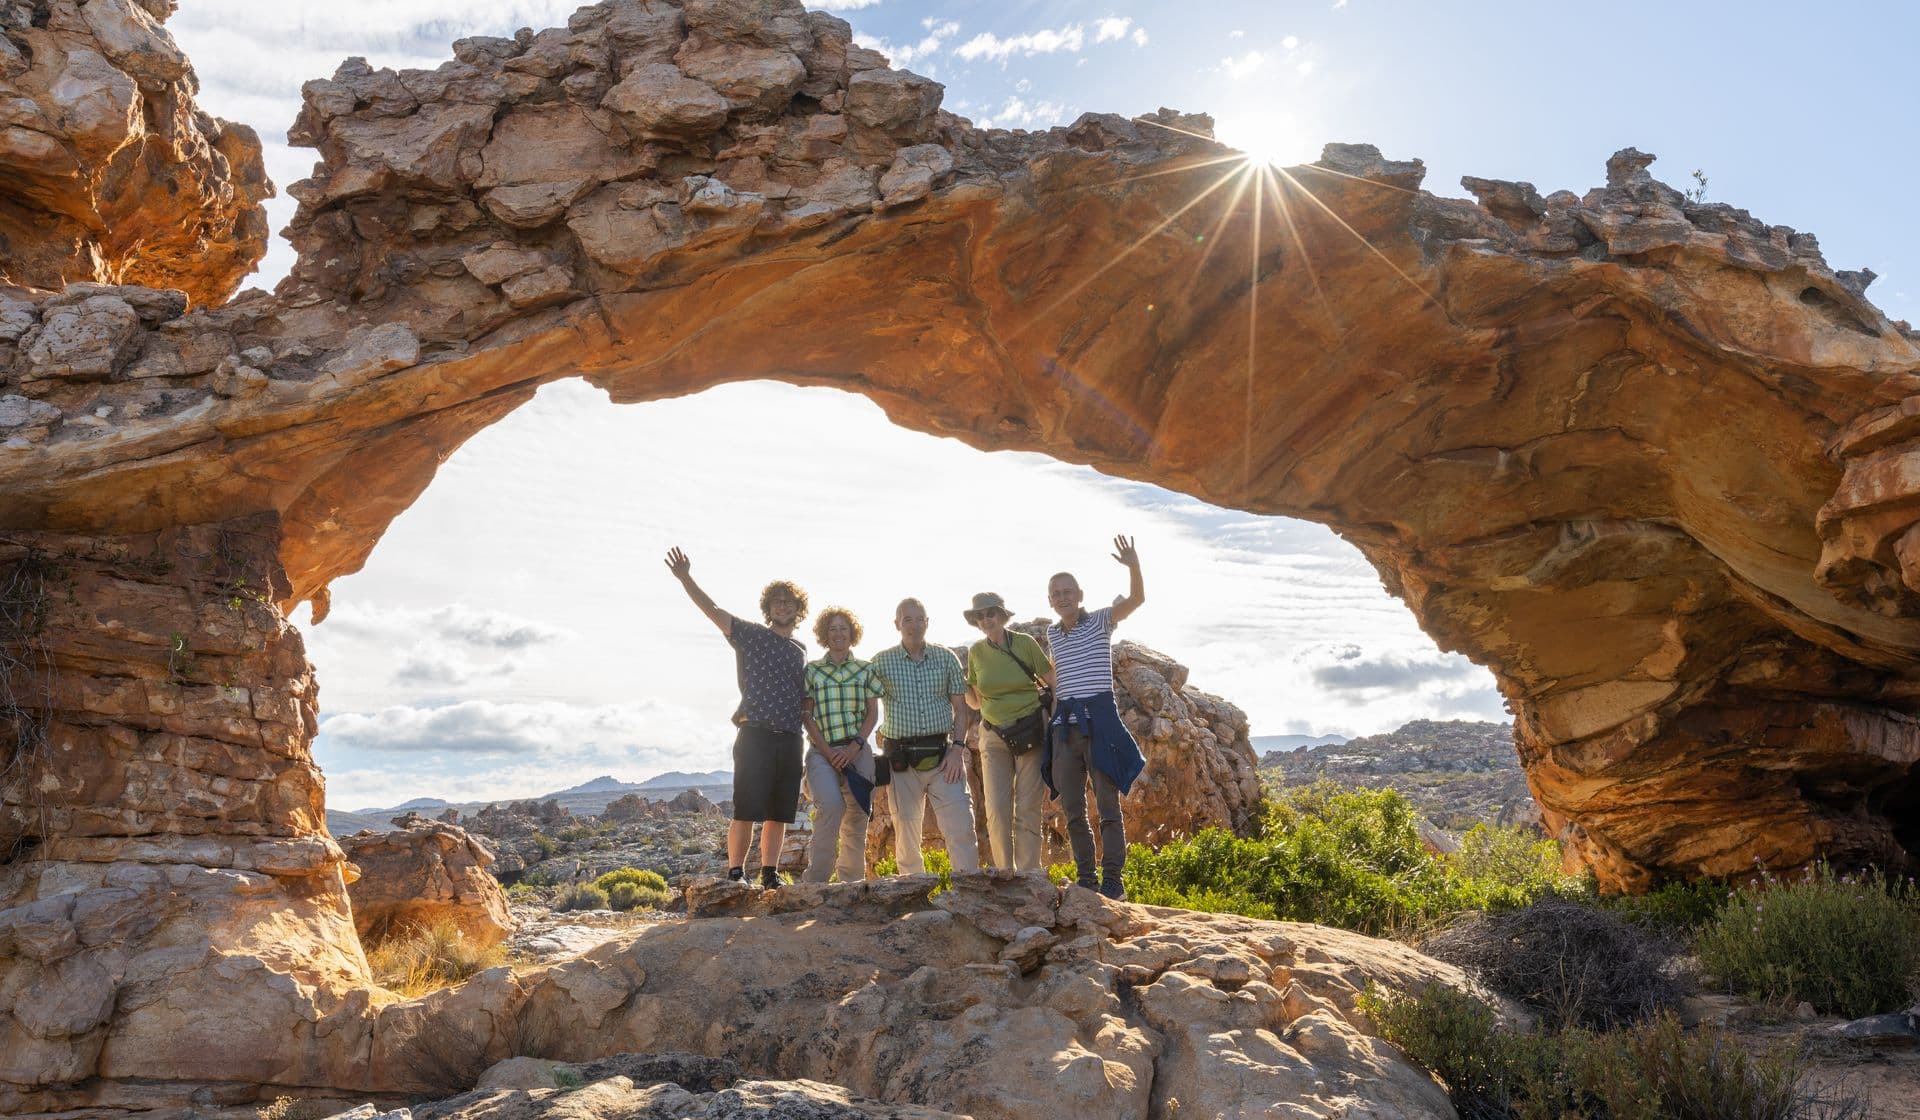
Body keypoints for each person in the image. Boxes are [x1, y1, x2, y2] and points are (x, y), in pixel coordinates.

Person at [664, 546, 807, 890]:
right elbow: (712, 610)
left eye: (789, 601)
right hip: (754, 733)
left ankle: (770, 874)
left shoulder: (801, 650)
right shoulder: (751, 635)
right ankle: (735, 873)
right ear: (768, 607)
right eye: (777, 601)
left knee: (779, 813)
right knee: (745, 808)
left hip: (790, 737)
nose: (783, 605)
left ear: (798, 609)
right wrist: (686, 578)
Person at [1045, 535, 1148, 900]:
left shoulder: (1101, 621)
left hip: (1100, 723)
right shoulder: (1052, 633)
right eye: (1055, 593)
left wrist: (1133, 566)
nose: (1062, 597)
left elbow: (1136, 600)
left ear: (1080, 595)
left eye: (1067, 591)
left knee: (1108, 807)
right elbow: (1061, 676)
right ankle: (1087, 879)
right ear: (1050, 600)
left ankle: (1113, 882)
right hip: (1067, 727)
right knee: (1073, 809)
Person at [870, 598, 980, 875]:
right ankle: (912, 893)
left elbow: (961, 709)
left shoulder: (946, 659)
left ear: (928, 622)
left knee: (961, 825)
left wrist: (957, 749)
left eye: (920, 619)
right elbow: (865, 705)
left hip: (945, 757)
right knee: (905, 829)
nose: (914, 625)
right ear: (897, 624)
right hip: (900, 760)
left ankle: (969, 891)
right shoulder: (881, 662)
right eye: (907, 619)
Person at [962, 592, 1055, 872]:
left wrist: (1060, 723)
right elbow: (976, 701)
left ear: (1002, 615)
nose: (986, 619)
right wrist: (960, 684)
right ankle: (1005, 875)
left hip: (1030, 731)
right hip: (993, 736)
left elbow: (1052, 682)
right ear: (976, 622)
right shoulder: (976, 652)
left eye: (991, 613)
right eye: (980, 615)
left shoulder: (1025, 643)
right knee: (997, 810)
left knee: (1027, 808)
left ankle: (1029, 876)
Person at [799, 606, 882, 883]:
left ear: (851, 633)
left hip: (856, 750)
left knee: (858, 815)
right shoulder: (813, 671)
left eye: (843, 628)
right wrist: (827, 751)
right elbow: (806, 715)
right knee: (831, 807)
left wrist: (853, 747)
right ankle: (816, 883)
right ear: (825, 634)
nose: (838, 633)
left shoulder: (865, 670)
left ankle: (851, 884)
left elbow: (872, 714)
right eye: (832, 628)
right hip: (822, 752)